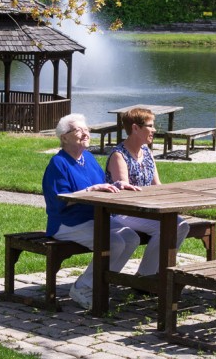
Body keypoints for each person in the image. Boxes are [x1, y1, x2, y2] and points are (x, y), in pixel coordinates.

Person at [42, 113, 141, 309]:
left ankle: (101, 282)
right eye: (79, 130)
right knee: (113, 242)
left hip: (93, 218)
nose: (85, 133)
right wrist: (90, 191)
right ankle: (82, 287)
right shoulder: (58, 163)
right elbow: (59, 200)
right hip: (67, 222)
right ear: (64, 137)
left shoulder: (87, 158)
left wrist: (117, 184)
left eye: (86, 129)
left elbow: (101, 184)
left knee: (131, 237)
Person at [105, 108, 191, 277]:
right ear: (135, 128)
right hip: (123, 212)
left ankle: (151, 273)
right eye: (150, 126)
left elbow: (157, 185)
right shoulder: (118, 155)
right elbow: (124, 193)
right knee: (170, 226)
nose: (154, 130)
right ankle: (147, 277)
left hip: (146, 210)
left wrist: (171, 201)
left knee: (181, 225)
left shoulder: (147, 153)